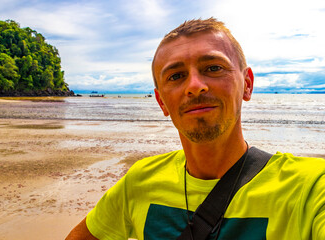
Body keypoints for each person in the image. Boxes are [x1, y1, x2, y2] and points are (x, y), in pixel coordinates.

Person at [66, 18, 325, 240]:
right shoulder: (140, 182)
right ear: (161, 102)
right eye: (176, 76)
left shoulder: (310, 187)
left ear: (247, 84)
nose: (195, 85)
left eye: (213, 68)